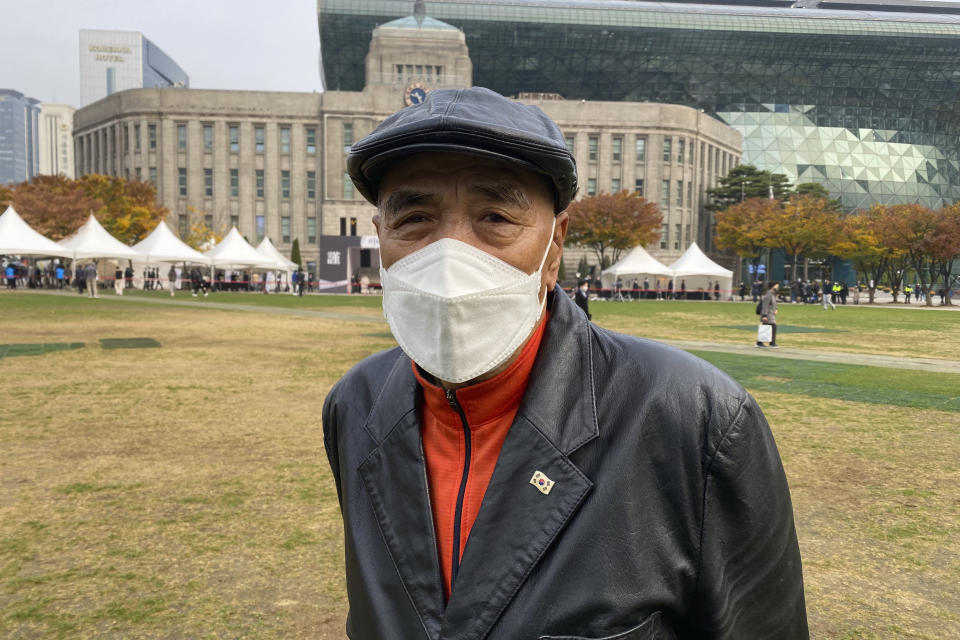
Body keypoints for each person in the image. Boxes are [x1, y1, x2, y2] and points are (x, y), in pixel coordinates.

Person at [323, 87, 806, 639]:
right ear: (379, 235)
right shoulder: (356, 406)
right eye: (414, 217)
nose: (450, 256)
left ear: (555, 245)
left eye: (496, 216)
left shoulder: (695, 422)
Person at [757, 281, 779, 348]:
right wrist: (764, 315)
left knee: (769, 327)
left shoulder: (773, 294)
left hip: (771, 314)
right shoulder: (768, 294)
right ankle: (767, 342)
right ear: (773, 286)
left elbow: (774, 303)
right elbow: (765, 305)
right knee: (769, 326)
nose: (778, 287)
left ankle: (766, 342)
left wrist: (776, 309)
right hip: (767, 314)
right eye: (776, 286)